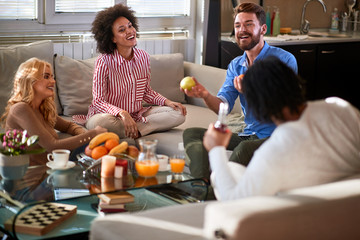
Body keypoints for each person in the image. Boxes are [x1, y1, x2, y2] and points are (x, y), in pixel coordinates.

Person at [203, 56, 360, 201]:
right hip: (347, 206)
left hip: (295, 216)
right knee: (231, 168)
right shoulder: (340, 108)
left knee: (220, 173)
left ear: (258, 106)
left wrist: (216, 149)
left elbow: (233, 201)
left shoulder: (274, 151)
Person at [182, 2, 298, 180]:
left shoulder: (283, 60)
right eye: (238, 25)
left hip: (277, 136)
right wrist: (204, 95)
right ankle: (202, 184)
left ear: (263, 28)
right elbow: (224, 107)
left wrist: (252, 89)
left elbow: (286, 107)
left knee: (243, 149)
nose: (242, 30)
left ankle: (217, 191)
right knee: (192, 133)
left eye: (249, 24)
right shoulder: (236, 65)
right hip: (249, 134)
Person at [73, 4, 186, 140]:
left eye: (130, 26)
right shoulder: (104, 61)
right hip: (107, 116)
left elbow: (146, 92)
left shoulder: (143, 57)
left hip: (136, 115)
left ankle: (134, 130)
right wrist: (122, 113)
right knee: (101, 123)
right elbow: (98, 102)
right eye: (122, 30)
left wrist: (167, 101)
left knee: (178, 113)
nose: (129, 31)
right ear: (112, 38)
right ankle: (135, 128)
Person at [0, 58, 107, 166]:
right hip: (32, 175)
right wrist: (93, 134)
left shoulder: (43, 108)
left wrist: (87, 137)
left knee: (102, 144)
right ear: (29, 80)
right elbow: (52, 146)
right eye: (46, 76)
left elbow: (68, 126)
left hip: (54, 166)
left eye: (52, 76)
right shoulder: (21, 109)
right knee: (101, 144)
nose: (53, 81)